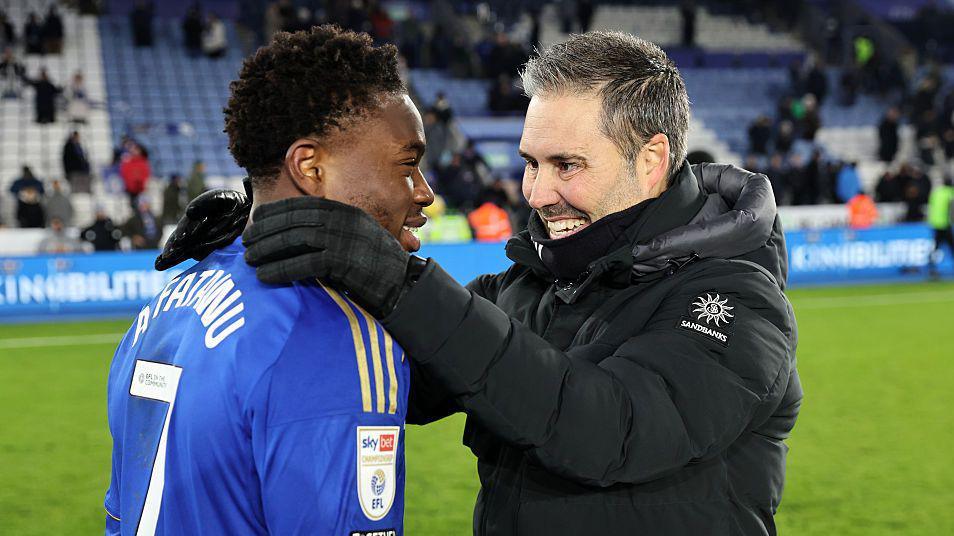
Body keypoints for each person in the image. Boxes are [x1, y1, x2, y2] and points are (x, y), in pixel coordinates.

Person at [166, 31, 799, 535]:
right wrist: (265, 218)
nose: (537, 191)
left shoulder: (737, 300)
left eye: (566, 165)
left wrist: (395, 276)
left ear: (652, 159)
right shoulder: (539, 281)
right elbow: (388, 380)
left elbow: (608, 430)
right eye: (530, 162)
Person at [105, 27, 427, 535]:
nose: (424, 192)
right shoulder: (329, 332)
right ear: (310, 167)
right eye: (408, 164)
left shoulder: (166, 304)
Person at [927, 176, 954, 277]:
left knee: (936, 247)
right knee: (952, 246)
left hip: (935, 224)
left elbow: (931, 205)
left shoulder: (936, 192)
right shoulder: (950, 192)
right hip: (945, 224)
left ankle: (932, 268)